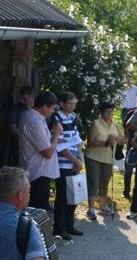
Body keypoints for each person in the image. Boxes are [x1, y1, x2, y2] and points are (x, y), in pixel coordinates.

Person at [18, 91, 61, 211]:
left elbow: (44, 142)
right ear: (44, 107)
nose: (53, 111)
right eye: (52, 108)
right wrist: (56, 134)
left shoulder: (34, 117)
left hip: (38, 171)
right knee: (38, 212)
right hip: (38, 173)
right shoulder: (34, 121)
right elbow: (48, 152)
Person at [85, 102, 125, 220]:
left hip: (108, 158)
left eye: (111, 111)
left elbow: (122, 139)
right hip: (94, 157)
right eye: (107, 111)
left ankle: (103, 206)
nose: (109, 113)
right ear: (101, 112)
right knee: (93, 182)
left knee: (104, 182)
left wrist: (116, 138)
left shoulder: (115, 124)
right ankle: (91, 209)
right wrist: (106, 143)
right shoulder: (96, 123)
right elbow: (91, 142)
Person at [53, 91, 84, 239]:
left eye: (74, 103)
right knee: (62, 197)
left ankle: (69, 225)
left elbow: (77, 139)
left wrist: (80, 158)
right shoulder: (56, 118)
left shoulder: (71, 117)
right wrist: (75, 161)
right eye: (70, 104)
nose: (72, 106)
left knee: (73, 196)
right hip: (63, 163)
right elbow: (60, 145)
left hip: (74, 162)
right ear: (61, 103)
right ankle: (58, 229)